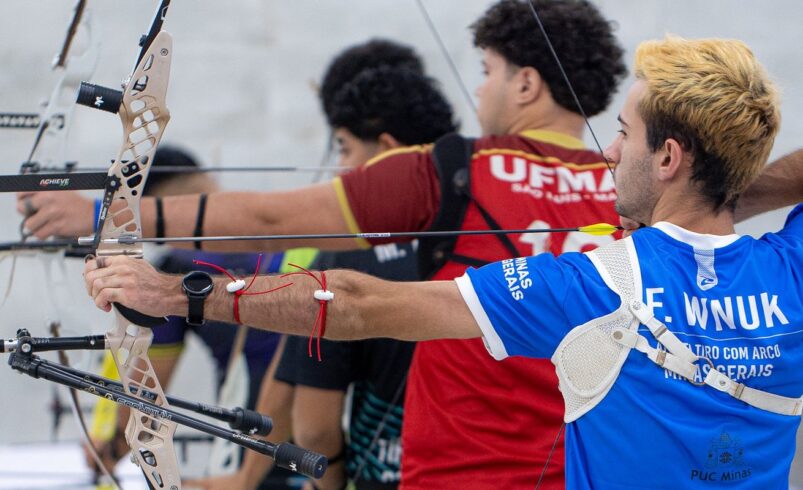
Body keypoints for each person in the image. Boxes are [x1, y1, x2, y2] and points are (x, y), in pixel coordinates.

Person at [84, 35, 803, 488]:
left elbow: (360, 304)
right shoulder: (792, 269)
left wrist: (179, 293)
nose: (609, 152)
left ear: (669, 158)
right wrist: (729, 188)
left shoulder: (599, 283)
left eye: (625, 134)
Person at [24, 1, 629, 487]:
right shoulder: (632, 190)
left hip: (455, 474)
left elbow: (270, 216)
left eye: (487, 72)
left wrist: (106, 211)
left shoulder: (456, 170)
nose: (478, 92)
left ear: (526, 83)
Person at [189, 40, 457, 490]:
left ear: (386, 147)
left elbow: (311, 417)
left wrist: (253, 478)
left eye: (344, 148)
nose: (337, 170)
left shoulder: (343, 247)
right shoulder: (493, 229)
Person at [82, 145, 296, 489]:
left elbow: (147, 390)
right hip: (332, 420)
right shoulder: (294, 235)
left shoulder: (175, 268)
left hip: (255, 438)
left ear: (155, 208)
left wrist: (110, 450)